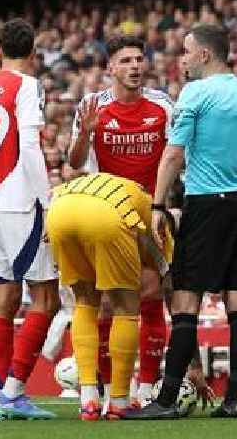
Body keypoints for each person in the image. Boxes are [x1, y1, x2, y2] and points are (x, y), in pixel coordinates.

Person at [124, 24, 237, 419]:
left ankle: (167, 400)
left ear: (205, 55)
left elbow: (172, 156)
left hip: (205, 205)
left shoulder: (195, 93)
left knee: (186, 299)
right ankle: (234, 400)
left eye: (186, 52)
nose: (182, 59)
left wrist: (157, 205)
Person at [69, 35, 174, 405]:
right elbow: (75, 162)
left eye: (138, 59)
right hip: (107, 212)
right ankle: (106, 386)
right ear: (110, 68)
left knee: (151, 293)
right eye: (126, 60)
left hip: (150, 211)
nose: (135, 66)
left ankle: (145, 390)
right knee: (108, 303)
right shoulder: (91, 104)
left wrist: (166, 205)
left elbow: (176, 155)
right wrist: (86, 132)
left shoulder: (163, 105)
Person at [0, 18, 60, 420]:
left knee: (3, 298)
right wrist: (44, 199)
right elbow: (30, 145)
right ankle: (14, 392)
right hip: (20, 200)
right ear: (34, 52)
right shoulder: (26, 86)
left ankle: (1, 390)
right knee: (47, 296)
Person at [46, 173, 171, 420]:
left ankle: (89, 400)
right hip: (106, 214)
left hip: (58, 209)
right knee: (126, 307)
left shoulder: (126, 188)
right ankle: (119, 401)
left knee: (84, 302)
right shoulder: (155, 215)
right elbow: (166, 272)